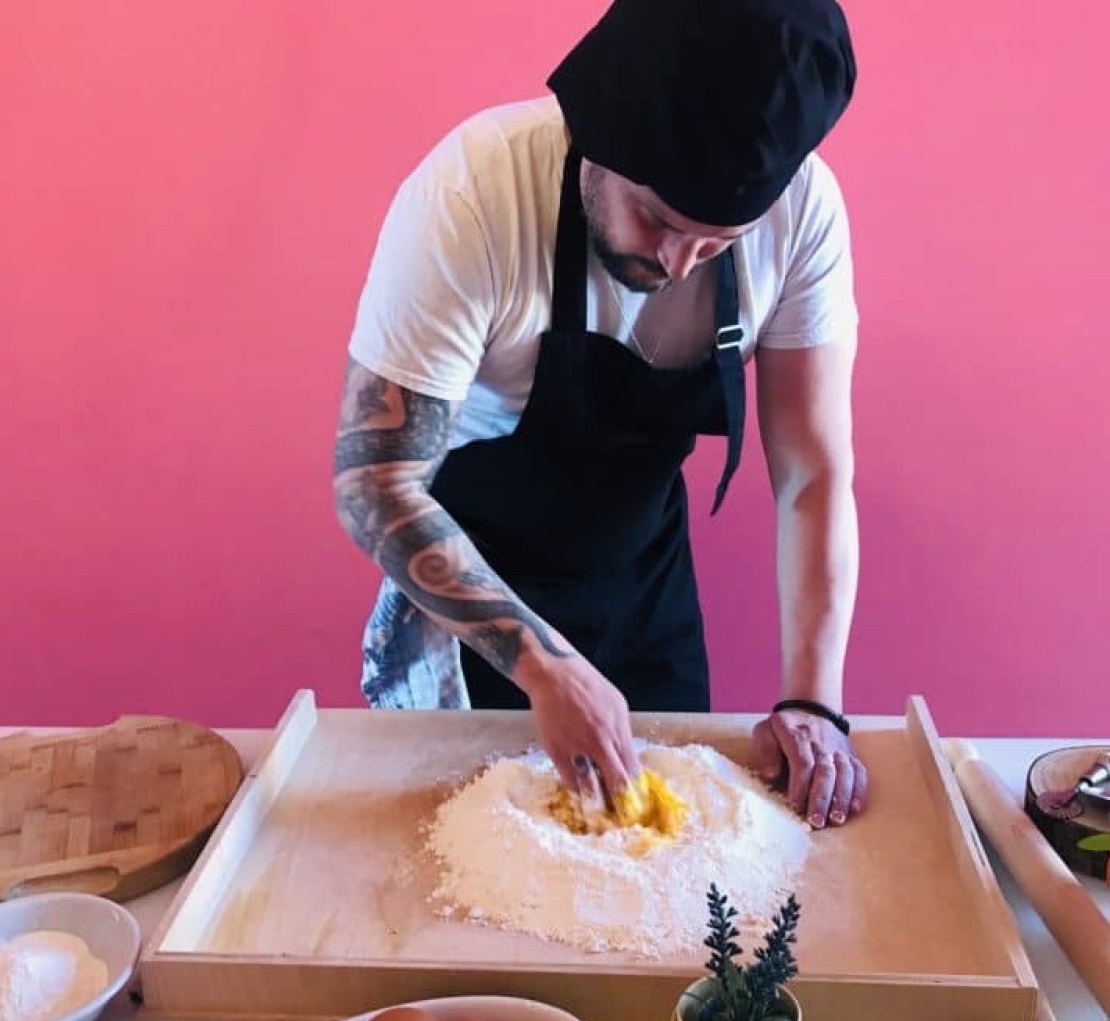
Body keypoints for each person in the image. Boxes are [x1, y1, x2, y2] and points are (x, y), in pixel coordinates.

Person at [334, 0, 868, 829]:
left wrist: (813, 701)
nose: (676, 260)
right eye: (657, 218)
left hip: (645, 589)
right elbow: (375, 484)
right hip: (467, 599)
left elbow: (812, 472)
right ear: (597, 133)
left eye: (716, 243)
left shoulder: (802, 216)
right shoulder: (477, 190)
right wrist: (545, 668)